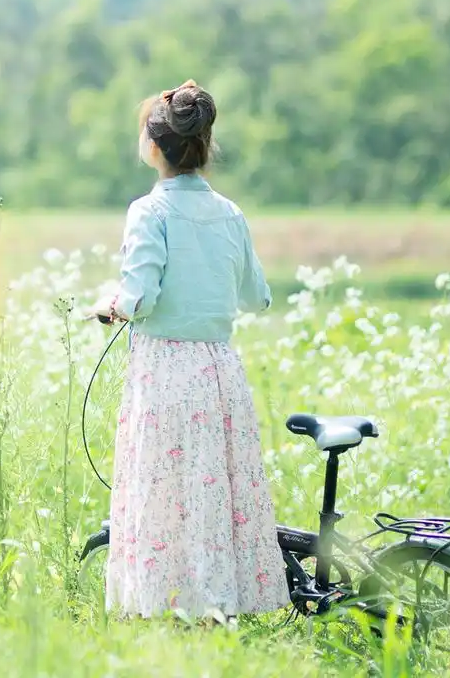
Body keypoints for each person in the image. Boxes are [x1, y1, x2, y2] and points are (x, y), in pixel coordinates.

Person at [90, 79, 289, 624]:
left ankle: (167, 606)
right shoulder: (231, 213)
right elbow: (257, 296)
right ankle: (216, 605)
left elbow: (139, 297)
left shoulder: (148, 211)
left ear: (156, 146)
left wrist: (109, 305)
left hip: (165, 370)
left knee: (163, 490)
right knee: (212, 491)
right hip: (219, 371)